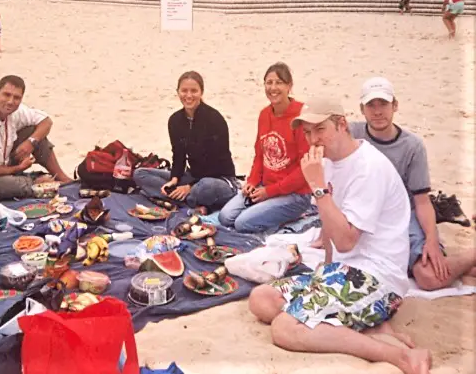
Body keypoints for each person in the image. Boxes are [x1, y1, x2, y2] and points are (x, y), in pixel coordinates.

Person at [248, 97, 433, 374]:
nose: (313, 139)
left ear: (342, 124)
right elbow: (330, 232)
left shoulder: (368, 168)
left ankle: (399, 357)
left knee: (285, 328)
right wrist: (326, 268)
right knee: (261, 299)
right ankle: (367, 329)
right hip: (343, 270)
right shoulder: (329, 162)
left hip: (378, 278)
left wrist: (318, 188)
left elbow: (347, 239)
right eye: (307, 132)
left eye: (320, 129)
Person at [352, 77, 476, 291]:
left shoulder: (412, 146)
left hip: (403, 214)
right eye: (371, 105)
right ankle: (464, 266)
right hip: (364, 214)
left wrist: (431, 240)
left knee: (428, 278)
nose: (378, 111)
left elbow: (422, 200)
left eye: (384, 104)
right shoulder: (352, 134)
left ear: (395, 106)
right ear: (362, 109)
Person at [219, 63, 311, 233]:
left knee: (242, 224)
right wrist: (253, 181)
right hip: (265, 185)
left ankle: (289, 216)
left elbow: (304, 170)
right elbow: (260, 156)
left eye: (279, 82)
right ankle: (267, 209)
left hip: (295, 194)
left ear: (289, 86)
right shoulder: (264, 115)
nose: (273, 88)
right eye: (269, 83)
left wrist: (269, 192)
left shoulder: (300, 117)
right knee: (225, 217)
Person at [133, 71, 238, 213]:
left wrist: (190, 187)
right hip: (191, 176)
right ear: (178, 92)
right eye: (184, 91)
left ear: (201, 92)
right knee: (140, 174)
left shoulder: (214, 119)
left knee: (204, 187)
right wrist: (174, 179)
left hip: (218, 179)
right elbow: (178, 155)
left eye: (194, 91)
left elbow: (217, 163)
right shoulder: (175, 120)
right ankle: (192, 203)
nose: (189, 96)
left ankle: (180, 200)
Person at [0, 75, 72, 199]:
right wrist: (18, 168)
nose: (11, 101)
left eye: (16, 97)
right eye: (6, 95)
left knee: (33, 132)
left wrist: (30, 142)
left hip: (3, 163)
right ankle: (37, 183)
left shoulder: (15, 110)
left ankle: (62, 177)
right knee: (26, 186)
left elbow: (46, 121)